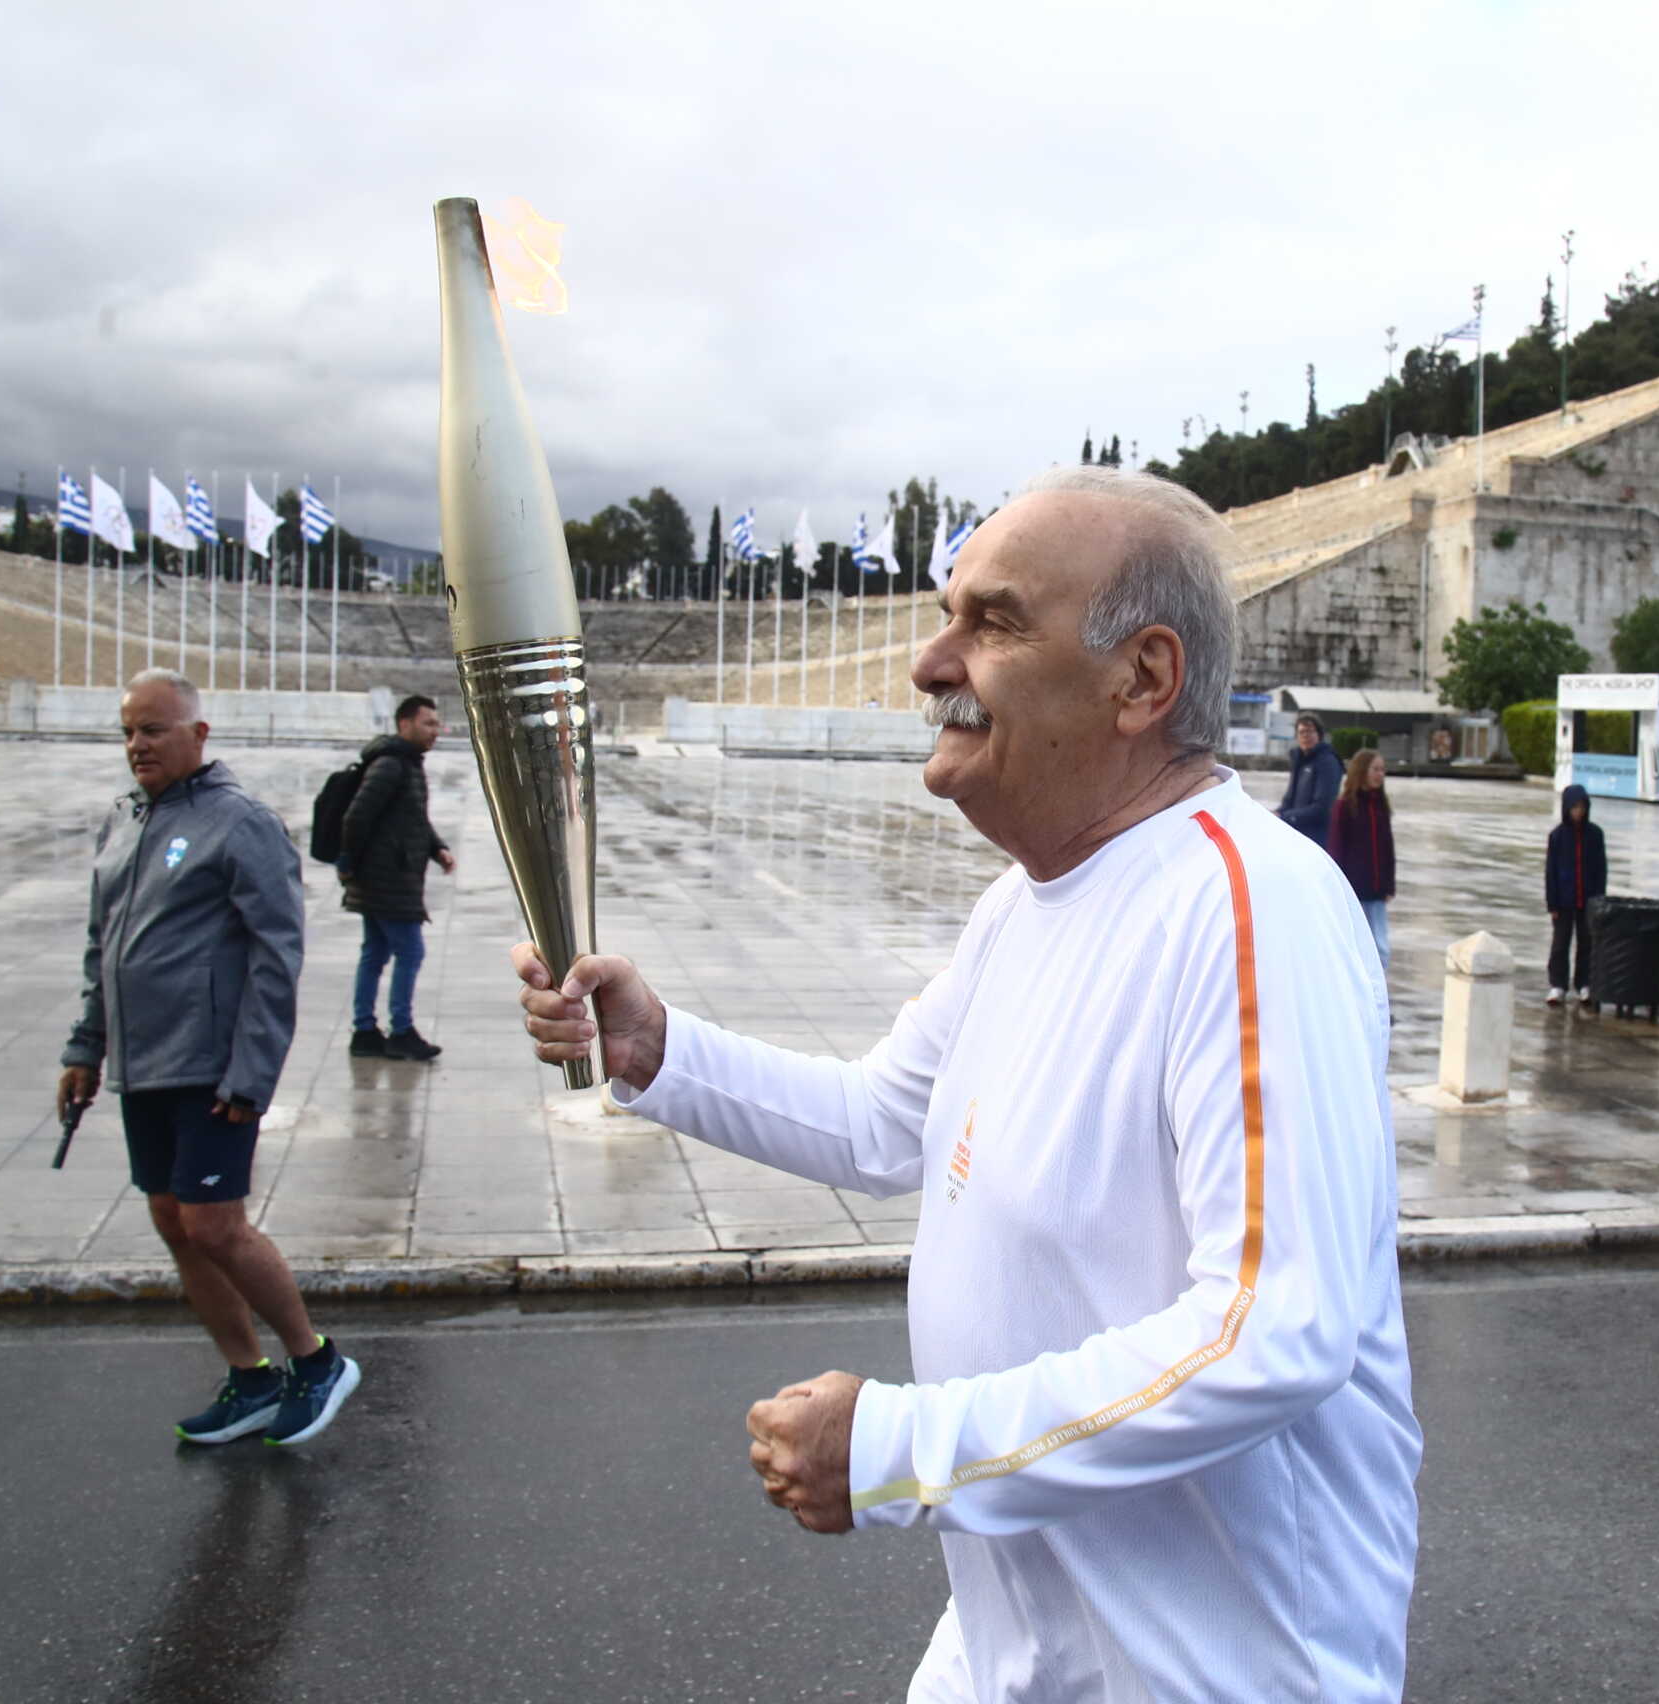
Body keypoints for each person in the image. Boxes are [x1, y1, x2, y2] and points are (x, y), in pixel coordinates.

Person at [514, 467, 1420, 1702]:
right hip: (1018, 1649)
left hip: (1210, 1670)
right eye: (949, 615)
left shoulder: (1247, 901)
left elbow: (1269, 1330)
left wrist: (897, 1449)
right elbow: (892, 1121)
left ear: (1141, 682)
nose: (930, 662)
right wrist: (658, 1050)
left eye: (991, 622)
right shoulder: (1024, 901)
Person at [58, 669, 361, 1447]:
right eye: (127, 730)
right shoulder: (123, 822)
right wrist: (86, 1047)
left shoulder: (241, 823)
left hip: (212, 1067)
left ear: (197, 734)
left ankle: (315, 1360)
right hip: (141, 1064)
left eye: (153, 730)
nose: (137, 746)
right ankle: (250, 1377)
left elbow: (276, 955)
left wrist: (252, 1076)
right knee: (173, 1221)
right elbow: (105, 949)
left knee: (215, 1225)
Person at [341, 693, 457, 1061]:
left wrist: (436, 848)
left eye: (436, 724)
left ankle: (364, 1032)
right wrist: (349, 864)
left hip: (387, 878)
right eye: (428, 723)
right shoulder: (391, 765)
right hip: (388, 881)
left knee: (374, 952)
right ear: (404, 724)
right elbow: (357, 816)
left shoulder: (406, 764)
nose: (435, 731)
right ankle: (401, 1031)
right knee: (410, 951)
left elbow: (411, 820)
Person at [1328, 747, 1396, 968]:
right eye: (1375, 769)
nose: (1380, 774)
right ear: (1362, 771)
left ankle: (1380, 994)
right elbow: (1336, 850)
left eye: (1382, 770)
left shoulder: (1381, 805)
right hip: (1354, 889)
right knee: (1356, 945)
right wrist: (1339, 888)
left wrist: (1389, 885)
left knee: (1381, 947)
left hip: (1377, 890)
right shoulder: (1345, 806)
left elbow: (1387, 848)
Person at [1544, 784, 1607, 1007]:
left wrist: (1599, 900)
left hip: (1588, 901)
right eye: (1574, 807)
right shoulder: (1557, 837)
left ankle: (1585, 984)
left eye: (1581, 807)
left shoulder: (1595, 835)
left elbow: (1601, 869)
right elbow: (1550, 872)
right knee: (1560, 944)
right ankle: (1558, 985)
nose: (1578, 812)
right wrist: (1552, 903)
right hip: (1563, 901)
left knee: (1587, 943)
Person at [1276, 713, 1343, 845]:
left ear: (1319, 735)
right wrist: (1277, 813)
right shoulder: (1299, 760)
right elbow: (1289, 798)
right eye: (1302, 732)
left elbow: (1322, 807)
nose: (1306, 736)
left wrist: (1286, 817)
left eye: (1310, 731)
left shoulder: (1327, 762)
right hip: (1297, 833)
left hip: (1316, 836)